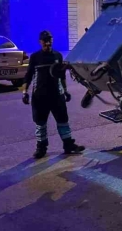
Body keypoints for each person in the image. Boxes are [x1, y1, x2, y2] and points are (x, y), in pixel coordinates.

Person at [21, 30, 84, 159]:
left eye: (49, 40)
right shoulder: (35, 57)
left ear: (52, 41)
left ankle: (69, 145)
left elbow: (61, 76)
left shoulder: (58, 56)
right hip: (40, 97)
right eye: (45, 40)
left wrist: (65, 91)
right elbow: (28, 76)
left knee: (63, 121)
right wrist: (24, 92)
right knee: (40, 123)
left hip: (57, 95)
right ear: (40, 42)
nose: (47, 42)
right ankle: (41, 148)